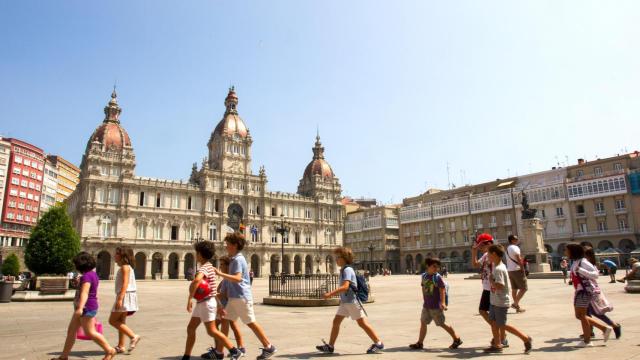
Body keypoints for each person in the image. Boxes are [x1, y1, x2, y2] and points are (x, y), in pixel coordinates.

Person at [215, 233, 277, 360]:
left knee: (251, 322)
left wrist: (220, 273)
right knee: (225, 321)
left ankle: (269, 346)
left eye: (228, 244)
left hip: (241, 297)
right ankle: (220, 352)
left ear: (235, 245)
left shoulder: (238, 259)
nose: (226, 247)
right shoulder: (233, 259)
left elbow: (238, 278)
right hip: (234, 297)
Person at [316, 246, 384, 355]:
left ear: (344, 258)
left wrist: (330, 294)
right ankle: (330, 346)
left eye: (338, 257)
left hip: (352, 302)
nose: (336, 259)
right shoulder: (344, 270)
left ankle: (378, 343)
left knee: (362, 323)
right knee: (336, 322)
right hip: (345, 302)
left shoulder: (347, 270)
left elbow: (345, 287)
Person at [182, 241, 243, 360]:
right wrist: (219, 306)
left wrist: (190, 298)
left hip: (206, 303)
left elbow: (196, 281)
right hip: (204, 302)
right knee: (191, 328)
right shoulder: (210, 266)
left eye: (197, 253)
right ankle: (186, 356)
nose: (196, 255)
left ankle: (234, 350)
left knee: (212, 330)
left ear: (200, 254)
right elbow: (213, 289)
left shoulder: (204, 268)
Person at [50, 252, 116, 360]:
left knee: (90, 332)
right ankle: (64, 356)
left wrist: (80, 308)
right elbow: (91, 290)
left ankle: (110, 350)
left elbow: (85, 292)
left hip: (85, 308)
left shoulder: (87, 276)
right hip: (86, 307)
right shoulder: (92, 274)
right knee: (71, 331)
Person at [471, 233, 518, 348]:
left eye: (482, 246)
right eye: (480, 246)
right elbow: (475, 264)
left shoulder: (493, 254)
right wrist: (474, 252)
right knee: (486, 312)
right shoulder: (486, 255)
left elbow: (498, 273)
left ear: (490, 244)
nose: (480, 248)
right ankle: (500, 335)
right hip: (487, 287)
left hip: (492, 288)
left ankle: (501, 336)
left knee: (492, 315)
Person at [484, 245, 532, 354]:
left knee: (502, 325)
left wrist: (491, 280)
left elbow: (500, 286)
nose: (487, 256)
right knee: (493, 323)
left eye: (489, 254)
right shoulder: (498, 266)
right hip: (495, 300)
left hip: (500, 302)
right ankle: (497, 344)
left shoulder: (499, 269)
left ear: (494, 254)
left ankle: (525, 338)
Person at [565, 243, 613, 347]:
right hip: (580, 291)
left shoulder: (583, 262)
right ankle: (600, 331)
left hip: (584, 291)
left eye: (567, 250)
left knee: (581, 315)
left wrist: (580, 270)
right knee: (580, 316)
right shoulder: (576, 262)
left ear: (573, 252)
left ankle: (589, 339)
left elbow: (595, 274)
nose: (566, 253)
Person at [408, 257, 462, 350]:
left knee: (442, 323)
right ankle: (420, 343)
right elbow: (423, 287)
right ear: (428, 266)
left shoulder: (437, 277)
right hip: (427, 305)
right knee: (423, 322)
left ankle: (456, 338)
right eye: (434, 266)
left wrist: (443, 302)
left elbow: (442, 290)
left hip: (436, 306)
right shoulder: (424, 276)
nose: (436, 269)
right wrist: (424, 299)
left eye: (438, 267)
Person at [201, 256, 246, 360]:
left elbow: (225, 294)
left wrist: (209, 293)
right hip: (225, 306)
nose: (220, 266)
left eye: (222, 264)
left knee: (217, 327)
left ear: (228, 266)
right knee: (229, 326)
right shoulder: (226, 278)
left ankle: (220, 351)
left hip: (227, 307)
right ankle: (238, 348)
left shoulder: (228, 279)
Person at [583, 247, 622, 339]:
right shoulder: (588, 263)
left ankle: (614, 325)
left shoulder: (588, 264)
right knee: (586, 312)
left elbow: (593, 276)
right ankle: (590, 331)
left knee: (593, 312)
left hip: (589, 291)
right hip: (586, 290)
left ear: (587, 255)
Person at [108, 246, 141, 355]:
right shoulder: (127, 267)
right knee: (121, 322)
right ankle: (121, 346)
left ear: (123, 256)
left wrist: (120, 298)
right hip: (128, 295)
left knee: (112, 321)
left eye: (117, 253)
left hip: (124, 295)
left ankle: (133, 336)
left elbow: (125, 283)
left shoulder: (125, 267)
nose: (115, 255)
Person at [505, 235, 527, 313]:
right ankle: (515, 304)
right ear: (512, 240)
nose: (517, 240)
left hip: (510, 270)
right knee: (524, 288)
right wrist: (523, 270)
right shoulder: (515, 248)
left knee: (514, 289)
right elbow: (518, 259)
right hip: (517, 270)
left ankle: (517, 307)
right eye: (516, 239)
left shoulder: (507, 248)